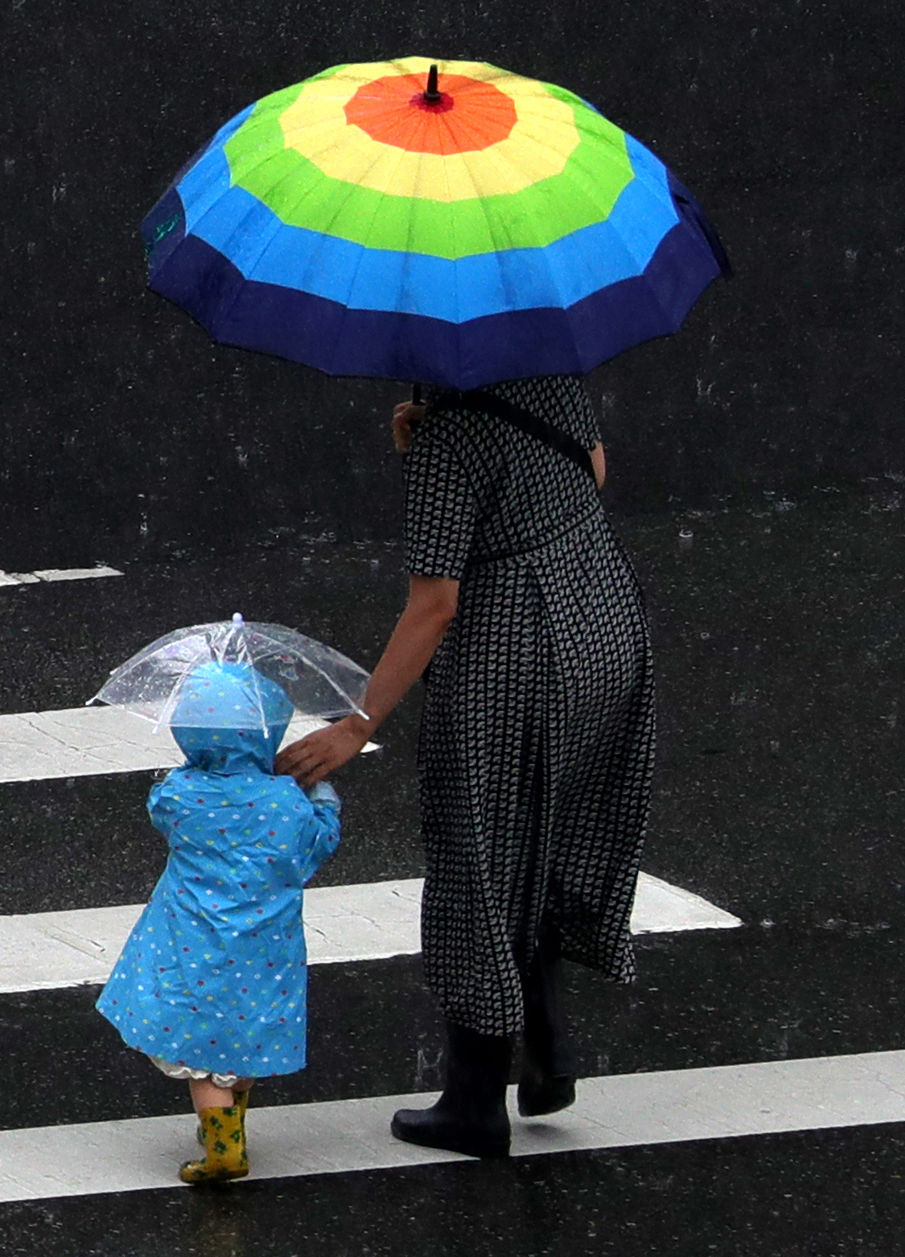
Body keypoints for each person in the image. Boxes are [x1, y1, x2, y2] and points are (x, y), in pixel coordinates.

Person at [275, 374, 655, 1159]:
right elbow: (595, 471)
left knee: (475, 862)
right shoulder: (554, 375)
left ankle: (475, 1099)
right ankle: (549, 1045)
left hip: (512, 653)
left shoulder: (447, 441)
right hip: (604, 624)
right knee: (550, 836)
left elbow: (436, 603)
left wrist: (356, 723)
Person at [95, 660, 345, 1183]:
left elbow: (159, 807)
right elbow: (317, 845)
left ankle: (224, 1149)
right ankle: (230, 1128)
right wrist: (320, 794)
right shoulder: (285, 802)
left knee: (202, 1059)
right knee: (241, 1042)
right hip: (265, 948)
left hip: (193, 943)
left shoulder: (182, 795)